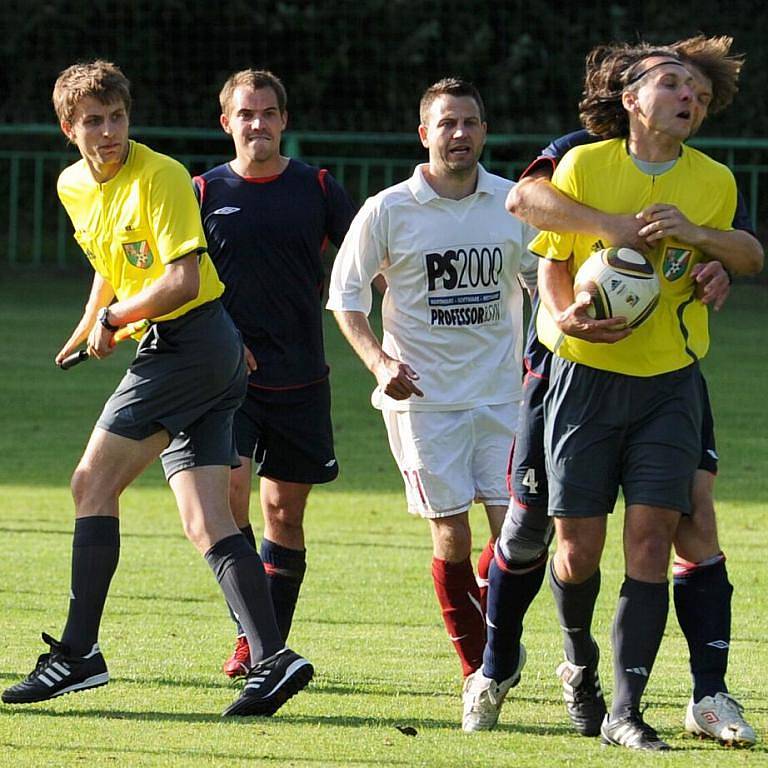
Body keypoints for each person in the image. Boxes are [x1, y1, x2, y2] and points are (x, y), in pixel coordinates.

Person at [464, 41, 762, 751]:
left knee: (664, 533)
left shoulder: (712, 180)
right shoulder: (582, 161)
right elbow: (539, 232)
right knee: (565, 542)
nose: (688, 95)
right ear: (629, 96)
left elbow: (744, 250)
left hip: (669, 382)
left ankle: (635, 709)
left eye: (696, 87)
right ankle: (562, 665)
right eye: (670, 82)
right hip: (575, 379)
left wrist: (707, 249)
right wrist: (571, 305)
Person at [0, 61, 313, 717]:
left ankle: (79, 653)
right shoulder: (72, 186)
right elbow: (111, 261)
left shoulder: (163, 176)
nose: (109, 131)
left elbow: (181, 281)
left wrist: (116, 319)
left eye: (117, 117)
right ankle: (274, 659)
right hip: (202, 354)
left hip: (189, 344)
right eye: (93, 121)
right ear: (68, 128)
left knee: (92, 484)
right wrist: (92, 317)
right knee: (207, 520)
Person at [327, 78, 537, 695]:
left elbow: (543, 277)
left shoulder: (512, 205)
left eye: (470, 122)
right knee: (453, 533)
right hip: (424, 405)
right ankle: (480, 671)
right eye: (447, 123)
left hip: (504, 398)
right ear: (425, 134)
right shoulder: (389, 210)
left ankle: (494, 636)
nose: (459, 134)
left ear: (484, 132)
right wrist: (377, 363)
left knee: (519, 539)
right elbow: (345, 297)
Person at [193, 69, 356, 677]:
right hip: (226, 378)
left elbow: (365, 267)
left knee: (284, 513)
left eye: (267, 112)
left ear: (283, 120)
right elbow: (185, 282)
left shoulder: (316, 187)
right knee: (230, 496)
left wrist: (398, 328)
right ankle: (253, 637)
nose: (256, 123)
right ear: (226, 122)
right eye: (245, 113)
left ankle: (269, 645)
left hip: (302, 377)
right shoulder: (202, 192)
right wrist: (227, 339)